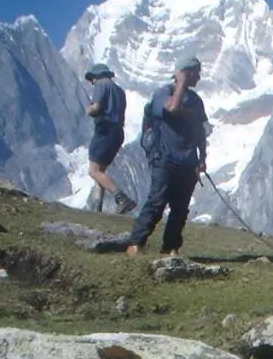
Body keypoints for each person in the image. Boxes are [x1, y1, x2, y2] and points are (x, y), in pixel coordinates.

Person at [126, 53, 209, 257]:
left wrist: (202, 157)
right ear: (185, 73)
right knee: (157, 200)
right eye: (195, 73)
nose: (199, 77)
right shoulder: (163, 93)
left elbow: (200, 131)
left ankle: (170, 247)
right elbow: (171, 109)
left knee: (180, 208)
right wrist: (181, 83)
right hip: (165, 157)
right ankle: (136, 243)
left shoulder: (196, 101)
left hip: (188, 160)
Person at [83, 63, 137, 214]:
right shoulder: (120, 91)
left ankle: (121, 198)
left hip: (105, 130)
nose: (92, 82)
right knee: (101, 171)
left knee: (93, 171)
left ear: (97, 76)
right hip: (118, 132)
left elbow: (96, 108)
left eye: (92, 79)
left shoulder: (101, 85)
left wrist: (88, 110)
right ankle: (97, 208)